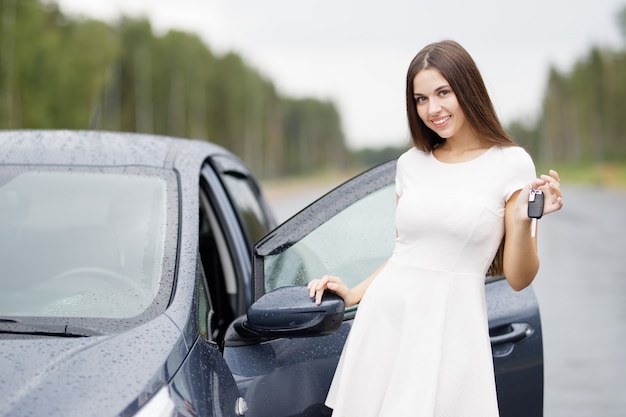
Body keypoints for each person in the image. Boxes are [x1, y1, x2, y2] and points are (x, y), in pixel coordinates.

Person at [307, 39, 564, 417]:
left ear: (468, 89)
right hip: (386, 324)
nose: (433, 109)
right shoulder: (410, 164)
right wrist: (352, 295)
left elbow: (519, 278)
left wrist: (525, 220)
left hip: (449, 334)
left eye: (443, 92)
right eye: (421, 99)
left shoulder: (511, 164)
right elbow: (404, 255)